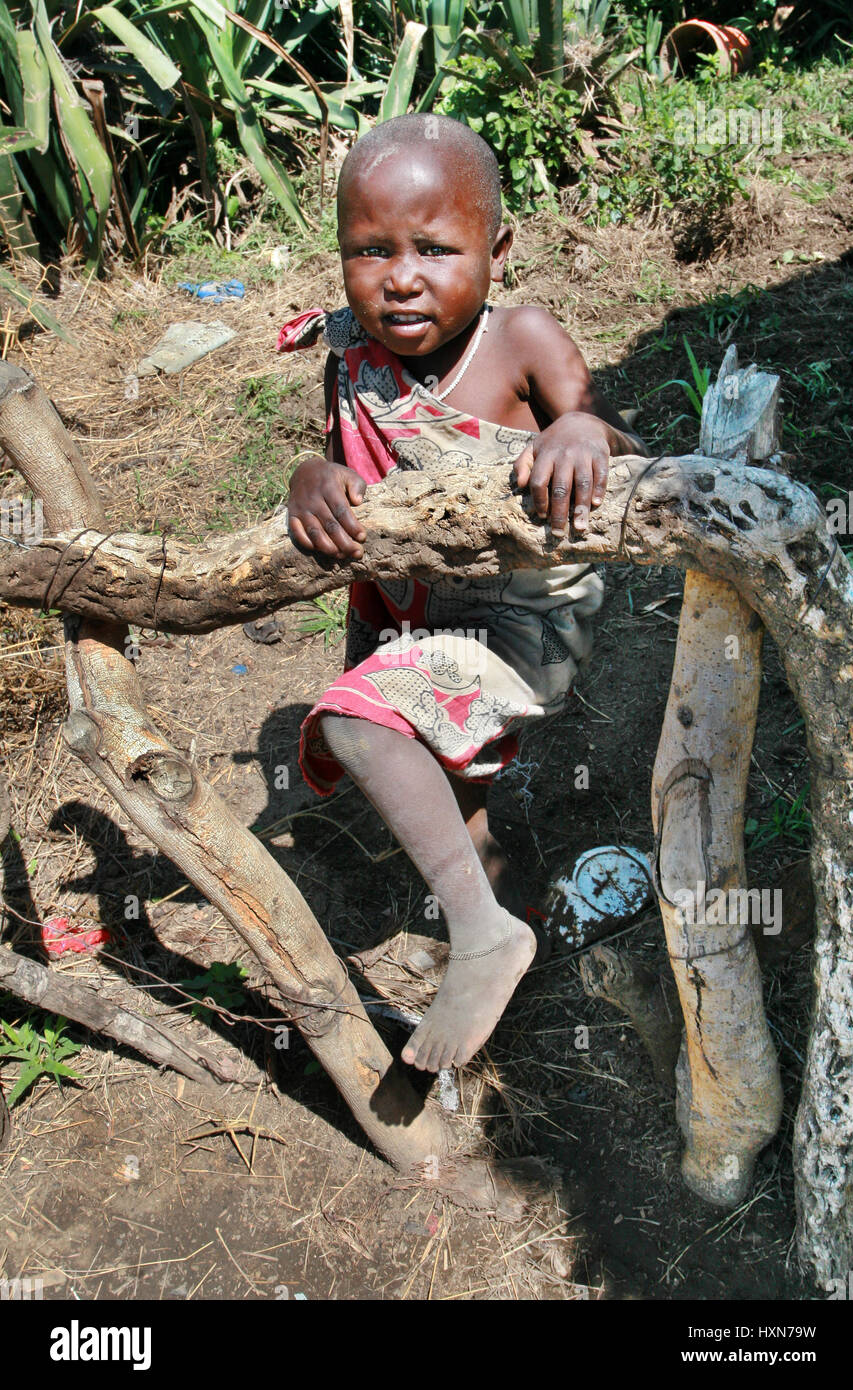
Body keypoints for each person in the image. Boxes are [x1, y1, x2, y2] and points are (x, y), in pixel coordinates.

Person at [279, 112, 647, 1075]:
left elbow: (620, 447)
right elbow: (345, 461)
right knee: (445, 760)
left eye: (435, 249)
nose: (401, 276)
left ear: (499, 246)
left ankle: (486, 937)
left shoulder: (520, 339)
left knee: (361, 724)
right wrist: (308, 479)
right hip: (408, 601)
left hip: (519, 623)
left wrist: (580, 435)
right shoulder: (351, 354)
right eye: (371, 250)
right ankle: (494, 889)